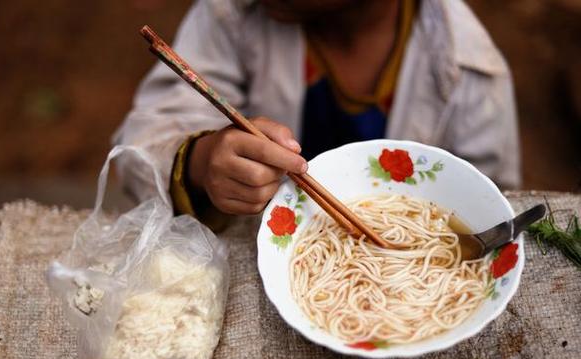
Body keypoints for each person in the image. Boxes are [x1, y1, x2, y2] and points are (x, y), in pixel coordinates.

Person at [113, 0, 520, 228]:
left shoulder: (471, 73)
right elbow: (140, 142)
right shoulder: (233, 13)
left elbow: (492, 209)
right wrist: (203, 161)